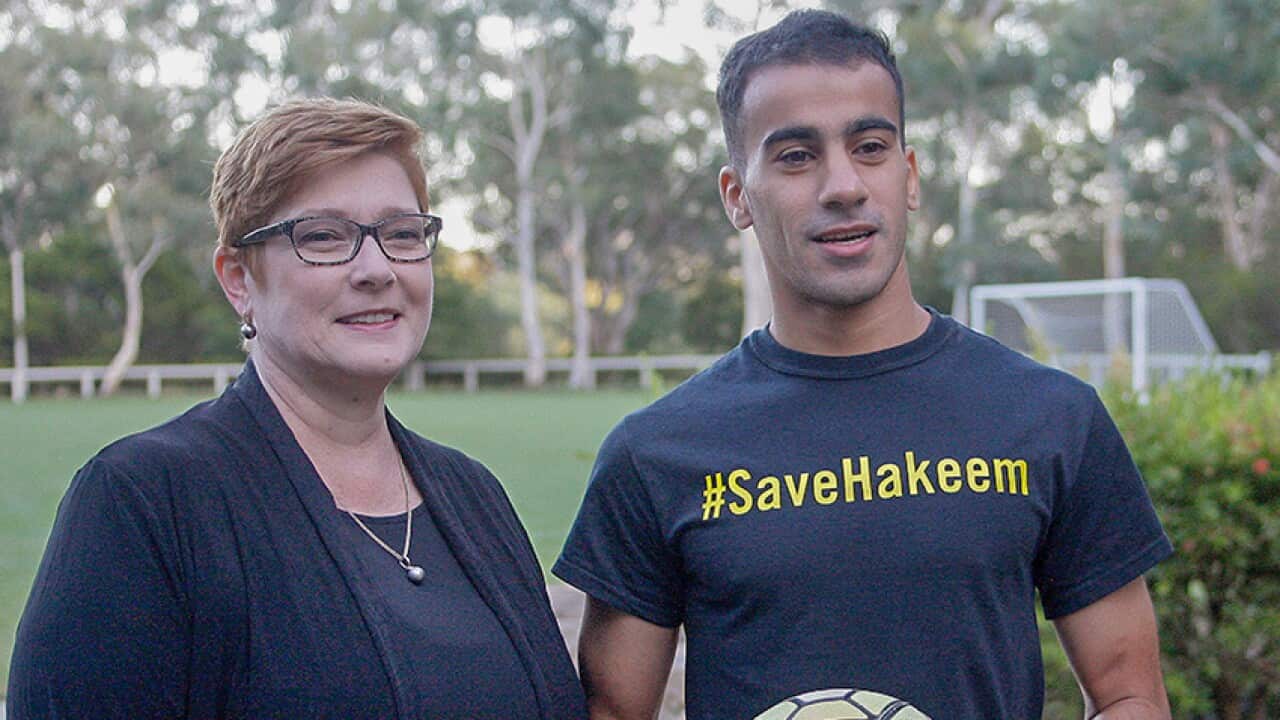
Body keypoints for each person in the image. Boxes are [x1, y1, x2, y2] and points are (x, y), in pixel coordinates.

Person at [553, 10, 1173, 720]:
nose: (843, 184)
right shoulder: (655, 453)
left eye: (870, 146)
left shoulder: (1051, 416)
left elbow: (1130, 695)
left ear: (908, 176)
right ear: (737, 197)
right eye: (795, 155)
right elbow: (613, 712)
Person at [8, 98, 587, 719]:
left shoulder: (475, 497)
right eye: (322, 237)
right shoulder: (146, 504)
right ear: (239, 279)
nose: (376, 268)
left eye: (401, 234)